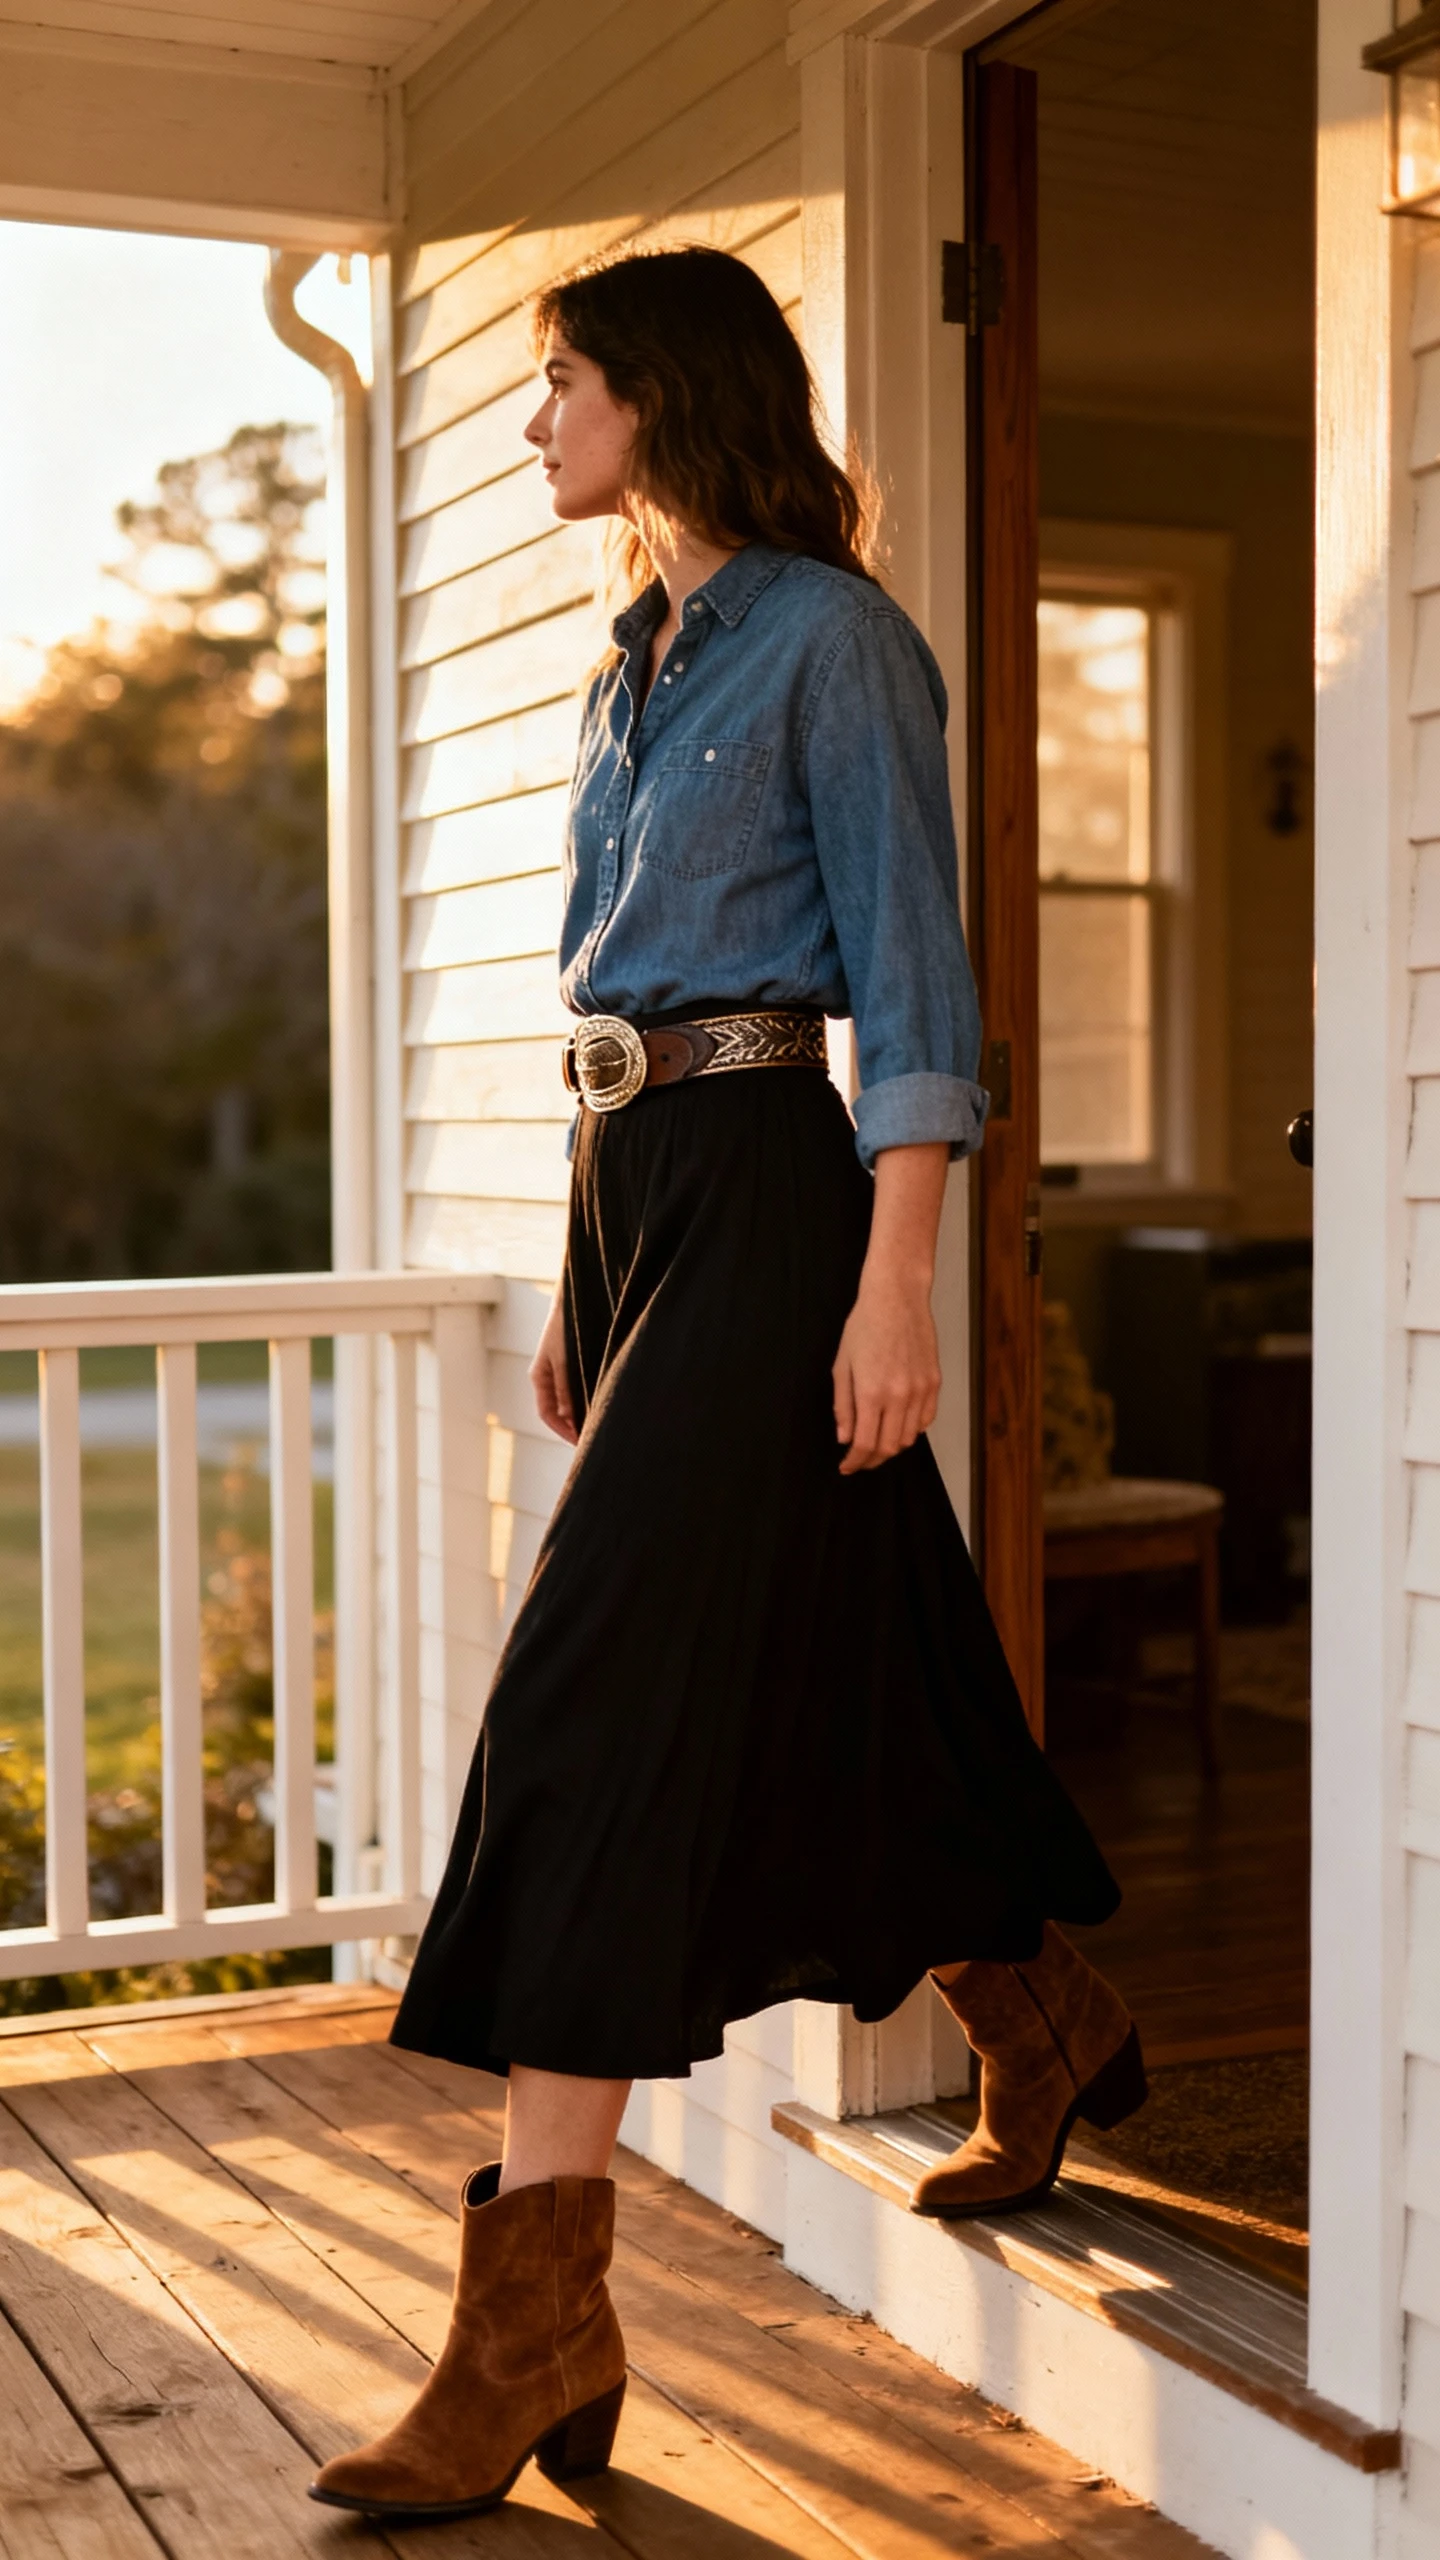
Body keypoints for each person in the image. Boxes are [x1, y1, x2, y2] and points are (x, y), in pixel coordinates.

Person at [309, 243, 1144, 2527]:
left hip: (787, 1206)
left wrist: (899, 1288)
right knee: (851, 1664)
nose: (533, 421)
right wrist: (590, 1260)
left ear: (663, 396)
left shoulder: (834, 639)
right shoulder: (633, 654)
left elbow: (912, 985)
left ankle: (534, 2313)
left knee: (583, 1698)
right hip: (645, 1192)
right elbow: (627, 1006)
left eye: (557, 381)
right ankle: (1044, 2012)